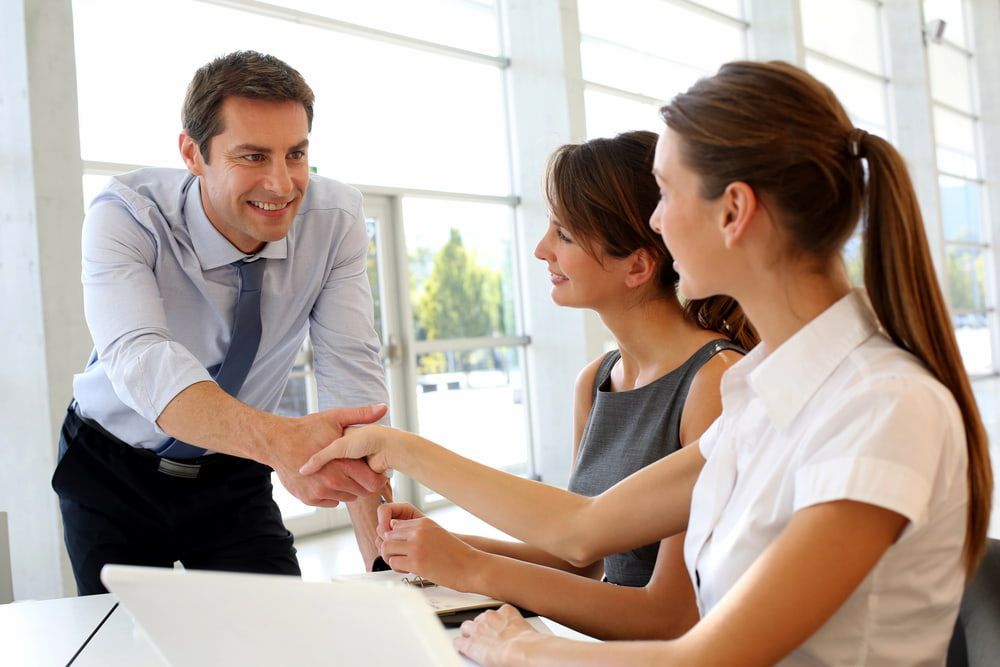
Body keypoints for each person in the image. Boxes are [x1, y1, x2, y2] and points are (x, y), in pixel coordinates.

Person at [302, 60, 993, 666]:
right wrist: (393, 446)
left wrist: (522, 644)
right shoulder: (769, 397)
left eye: (664, 192)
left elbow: (706, 653)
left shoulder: (881, 406)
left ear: (734, 212)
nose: (655, 223)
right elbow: (584, 528)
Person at [369, 130, 755, 640]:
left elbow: (668, 617)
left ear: (637, 265)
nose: (540, 250)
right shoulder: (595, 381)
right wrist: (438, 543)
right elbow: (578, 558)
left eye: (565, 236)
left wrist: (468, 566)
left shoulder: (714, 383)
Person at [53, 51, 390, 596]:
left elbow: (349, 373)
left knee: (274, 633)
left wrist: (386, 566)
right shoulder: (126, 215)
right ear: (193, 153)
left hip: (236, 466)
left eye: (296, 154)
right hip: (112, 467)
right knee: (127, 644)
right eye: (253, 156)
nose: (281, 185)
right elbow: (142, 359)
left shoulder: (336, 221)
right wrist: (283, 443)